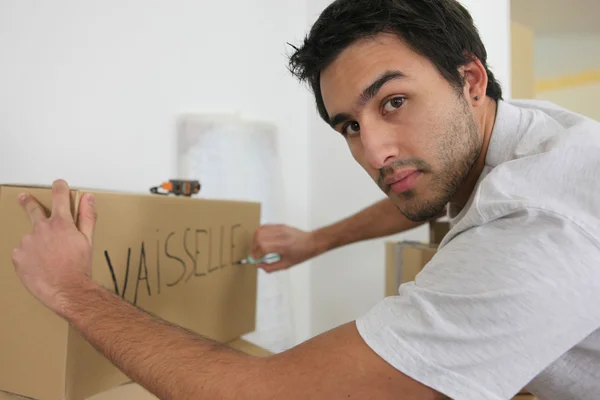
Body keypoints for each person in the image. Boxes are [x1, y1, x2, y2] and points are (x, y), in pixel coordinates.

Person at [10, 0, 600, 399]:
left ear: (469, 79)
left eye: (393, 100)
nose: (374, 150)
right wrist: (317, 241)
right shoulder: (527, 138)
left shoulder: (533, 227)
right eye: (348, 125)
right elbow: (427, 181)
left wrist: (71, 290)